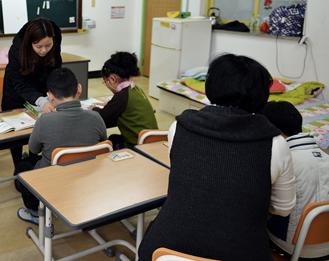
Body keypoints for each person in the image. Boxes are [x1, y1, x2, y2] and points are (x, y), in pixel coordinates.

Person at [137, 53, 295, 261]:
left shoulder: (179, 127)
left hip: (166, 247)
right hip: (242, 250)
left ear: (211, 87)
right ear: (261, 95)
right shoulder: (276, 145)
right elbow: (282, 210)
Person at [16, 68, 107, 224]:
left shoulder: (44, 121)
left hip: (53, 177)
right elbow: (103, 143)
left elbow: (33, 150)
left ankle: (35, 212)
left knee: (23, 167)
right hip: (89, 175)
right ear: (79, 89)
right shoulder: (96, 117)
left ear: (49, 96)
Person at [262, 101, 329, 260]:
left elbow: (277, 209)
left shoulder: (284, 161)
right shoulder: (326, 157)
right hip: (326, 244)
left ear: (275, 132)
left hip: (292, 247)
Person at [2, 17, 62, 168]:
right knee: (15, 133)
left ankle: (34, 162)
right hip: (16, 90)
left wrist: (56, 92)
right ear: (29, 43)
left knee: (39, 126)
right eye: (38, 46)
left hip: (42, 82)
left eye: (48, 45)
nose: (44, 50)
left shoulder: (55, 35)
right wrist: (40, 100)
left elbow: (56, 66)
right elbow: (20, 84)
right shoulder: (17, 50)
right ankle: (18, 168)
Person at [89, 51, 158, 149]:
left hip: (139, 147)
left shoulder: (122, 96)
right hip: (152, 141)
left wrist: (93, 109)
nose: (106, 85)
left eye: (105, 82)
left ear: (113, 79)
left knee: (107, 144)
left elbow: (103, 117)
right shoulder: (134, 89)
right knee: (114, 138)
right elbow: (125, 105)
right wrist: (108, 104)